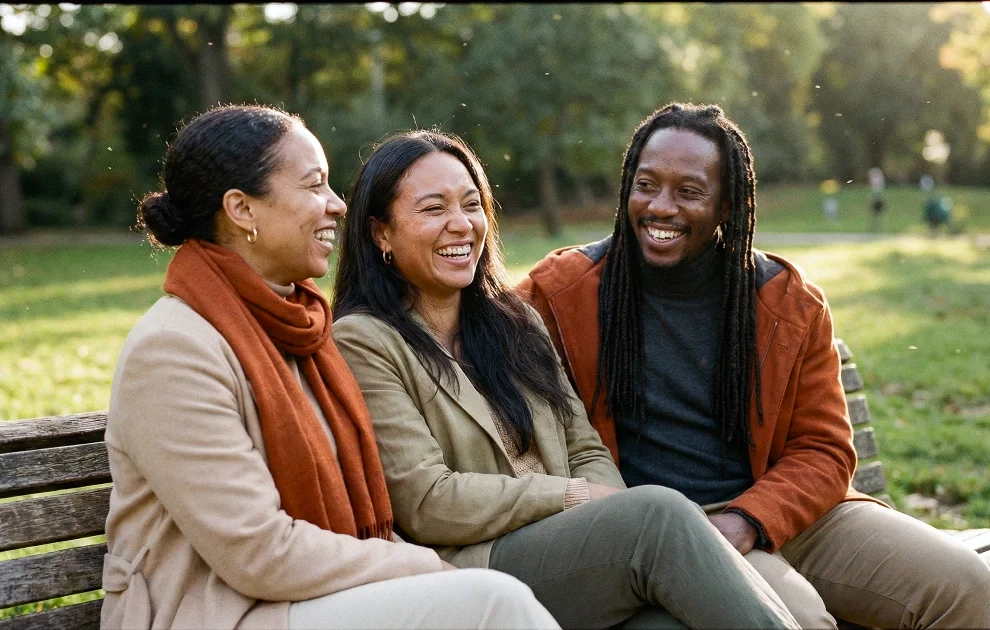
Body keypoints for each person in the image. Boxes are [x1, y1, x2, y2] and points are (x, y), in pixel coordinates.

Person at [517, 102, 990, 629]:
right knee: (798, 619)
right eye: (646, 185)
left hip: (788, 512)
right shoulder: (562, 293)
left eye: (689, 192)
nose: (661, 207)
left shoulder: (786, 304)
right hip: (668, 533)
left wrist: (749, 518)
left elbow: (823, 449)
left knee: (961, 583)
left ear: (728, 204)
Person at [103, 104, 559, 630]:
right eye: (314, 186)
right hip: (214, 613)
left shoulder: (300, 332)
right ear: (242, 209)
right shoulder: (173, 350)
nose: (337, 205)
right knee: (490, 604)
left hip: (299, 601)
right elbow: (259, 552)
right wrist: (421, 564)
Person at [331, 129, 799, 629]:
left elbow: (585, 447)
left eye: (471, 205)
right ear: (381, 232)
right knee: (658, 514)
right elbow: (427, 500)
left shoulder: (514, 321)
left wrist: (597, 516)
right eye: (432, 209)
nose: (460, 224)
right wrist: (571, 499)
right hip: (478, 565)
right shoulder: (365, 341)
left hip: (575, 553)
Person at [867, 167, 885, 232]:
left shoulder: (879, 186)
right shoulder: (874, 186)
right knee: (873, 215)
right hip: (875, 198)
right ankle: (873, 228)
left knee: (879, 215)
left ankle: (878, 228)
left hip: (878, 199)